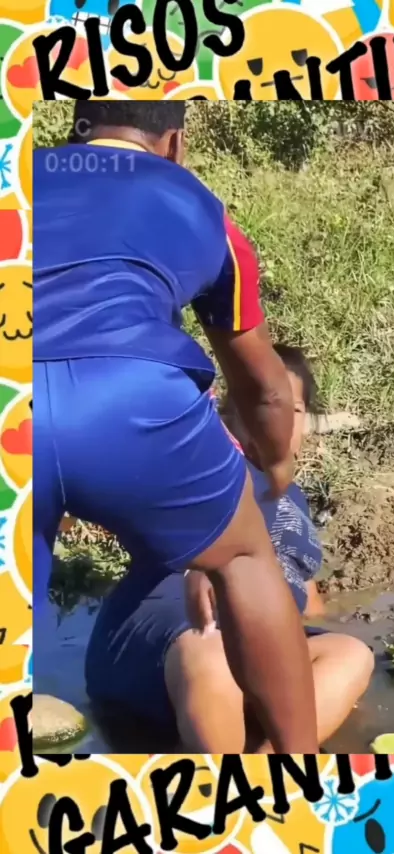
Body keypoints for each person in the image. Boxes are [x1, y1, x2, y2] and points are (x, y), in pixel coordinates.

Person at [33, 102, 319, 753]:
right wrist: (276, 467)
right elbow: (263, 387)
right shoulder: (202, 208)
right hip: (132, 394)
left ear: (75, 128)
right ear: (174, 143)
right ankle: (296, 777)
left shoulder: (21, 174)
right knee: (245, 559)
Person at [85, 344, 374, 752]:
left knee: (351, 654)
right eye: (258, 404)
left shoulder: (292, 496)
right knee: (216, 653)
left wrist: (329, 617)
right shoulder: (200, 466)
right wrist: (204, 561)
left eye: (293, 410)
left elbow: (299, 582)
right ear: (227, 414)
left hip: (258, 639)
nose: (275, 420)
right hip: (174, 633)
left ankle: (269, 771)